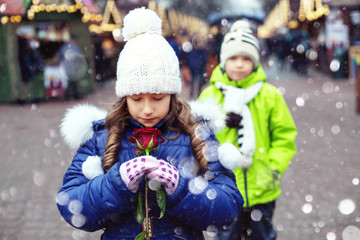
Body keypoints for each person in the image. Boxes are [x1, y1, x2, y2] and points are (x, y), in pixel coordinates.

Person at [57, 8, 243, 240]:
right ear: (124, 97)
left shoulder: (196, 133)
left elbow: (227, 207)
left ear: (172, 95)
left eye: (157, 98)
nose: (147, 109)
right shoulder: (101, 137)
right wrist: (115, 185)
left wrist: (182, 189)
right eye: (136, 99)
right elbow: (71, 204)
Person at [194, 20, 297, 240]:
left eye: (246, 58)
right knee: (226, 236)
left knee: (261, 235)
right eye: (233, 58)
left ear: (255, 61)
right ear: (223, 61)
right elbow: (199, 139)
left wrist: (273, 168)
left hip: (262, 186)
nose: (239, 64)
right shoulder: (210, 96)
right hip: (223, 188)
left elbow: (284, 135)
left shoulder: (269, 95)